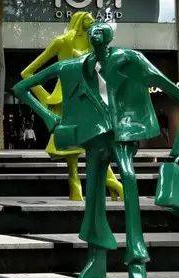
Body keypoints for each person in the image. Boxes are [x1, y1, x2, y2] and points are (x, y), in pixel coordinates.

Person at [13, 22, 179, 278]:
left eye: (100, 31)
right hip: (95, 137)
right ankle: (96, 258)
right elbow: (21, 87)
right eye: (92, 32)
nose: (95, 34)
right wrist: (50, 118)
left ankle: (137, 262)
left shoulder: (130, 60)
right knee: (94, 191)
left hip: (122, 134)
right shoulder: (73, 66)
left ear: (109, 37)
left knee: (129, 179)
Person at [20, 11, 123, 201]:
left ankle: (105, 183)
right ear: (79, 20)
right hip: (67, 98)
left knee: (95, 142)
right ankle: (82, 184)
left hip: (88, 98)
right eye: (88, 19)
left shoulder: (94, 43)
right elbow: (27, 73)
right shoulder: (62, 41)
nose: (93, 21)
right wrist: (47, 98)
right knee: (74, 146)